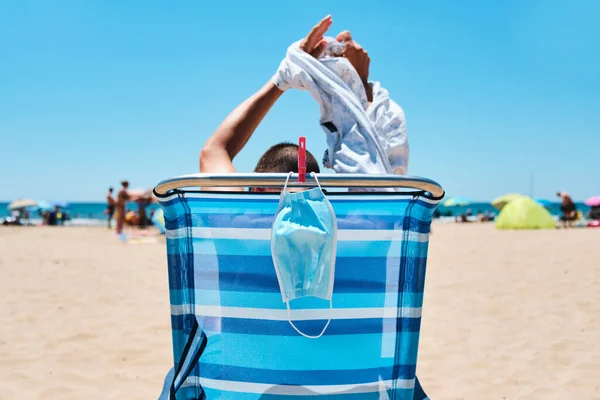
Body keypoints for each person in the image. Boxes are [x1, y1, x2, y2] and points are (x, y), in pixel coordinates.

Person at [199, 16, 368, 188]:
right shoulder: (343, 215)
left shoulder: (232, 214)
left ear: (257, 187)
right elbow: (378, 172)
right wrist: (363, 86)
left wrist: (284, 77)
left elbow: (213, 151)